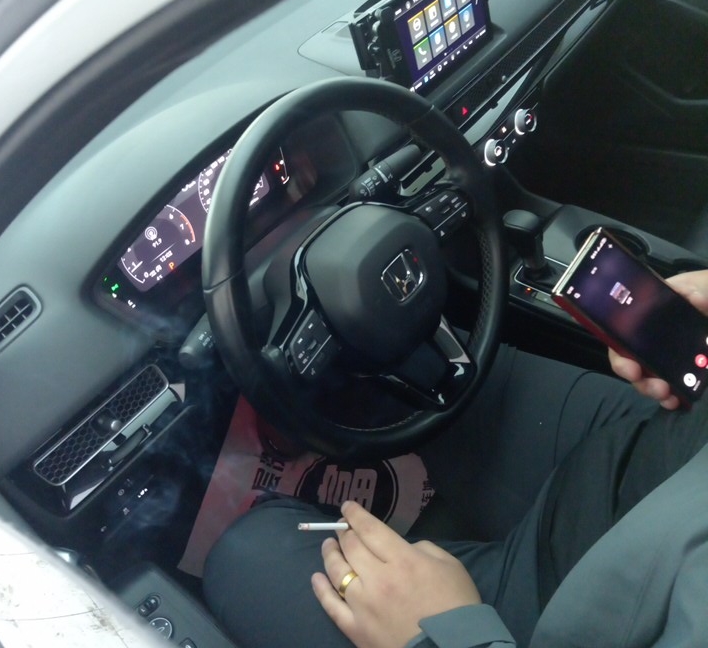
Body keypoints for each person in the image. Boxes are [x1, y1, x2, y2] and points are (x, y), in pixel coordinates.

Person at [203, 270, 708, 648]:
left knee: (243, 555)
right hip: (665, 449)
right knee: (417, 374)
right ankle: (313, 406)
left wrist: (449, 635)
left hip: (582, 612)